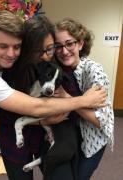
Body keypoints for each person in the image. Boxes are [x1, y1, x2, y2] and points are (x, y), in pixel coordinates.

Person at [0, 10, 106, 180]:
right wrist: (83, 101)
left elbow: (69, 112)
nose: (11, 53)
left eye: (50, 49)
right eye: (3, 46)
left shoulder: (46, 66)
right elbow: (31, 108)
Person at [0, 15, 78, 180]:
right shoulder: (11, 70)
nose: (46, 56)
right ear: (27, 49)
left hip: (48, 138)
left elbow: (72, 108)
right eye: (39, 51)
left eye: (50, 48)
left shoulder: (56, 67)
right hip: (14, 139)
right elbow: (3, 114)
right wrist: (42, 120)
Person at [54, 17, 114, 180]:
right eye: (58, 46)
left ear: (80, 43)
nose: (64, 51)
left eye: (69, 43)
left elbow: (100, 121)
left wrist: (68, 99)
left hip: (92, 138)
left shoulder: (95, 71)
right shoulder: (58, 70)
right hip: (72, 134)